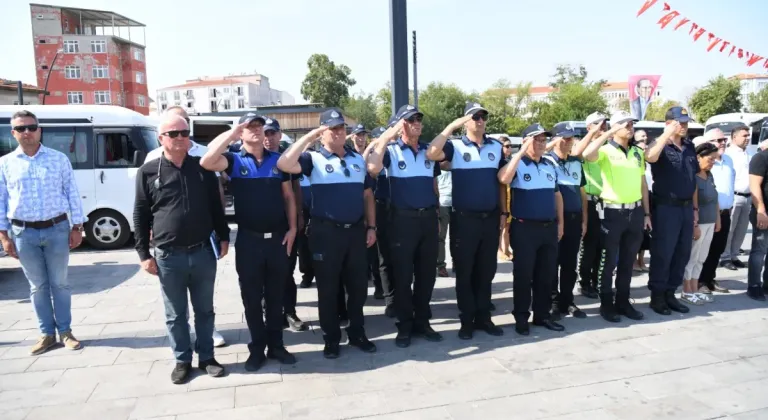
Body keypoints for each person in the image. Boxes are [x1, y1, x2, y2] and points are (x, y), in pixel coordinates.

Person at [134, 115, 230, 384]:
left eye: (184, 133)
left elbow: (216, 207)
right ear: (161, 138)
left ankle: (207, 357)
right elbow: (140, 214)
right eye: (173, 133)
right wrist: (143, 254)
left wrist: (223, 238)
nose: (180, 137)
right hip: (168, 256)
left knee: (205, 310)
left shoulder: (202, 169)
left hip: (202, 252)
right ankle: (182, 360)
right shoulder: (149, 171)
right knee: (175, 314)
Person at [200, 113, 298, 371]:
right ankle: (257, 348)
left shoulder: (279, 161)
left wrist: (294, 229)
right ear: (241, 133)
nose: (256, 130)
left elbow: (289, 197)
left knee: (277, 296)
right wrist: (232, 133)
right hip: (248, 241)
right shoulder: (233, 160)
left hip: (277, 239)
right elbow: (208, 160)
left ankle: (276, 345)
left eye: (259, 126)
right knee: (252, 298)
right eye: (249, 127)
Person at [277, 108, 378, 359]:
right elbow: (284, 163)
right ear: (323, 133)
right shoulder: (312, 159)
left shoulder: (356, 159)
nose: (338, 133)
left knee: (357, 288)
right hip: (326, 233)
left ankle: (357, 333)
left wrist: (372, 227)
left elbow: (367, 196)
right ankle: (331, 338)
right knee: (328, 289)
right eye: (332, 129)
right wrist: (310, 137)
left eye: (341, 128)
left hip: (355, 232)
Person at [0, 110, 86, 355]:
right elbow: (1, 200)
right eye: (21, 128)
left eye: (31, 127)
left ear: (39, 130)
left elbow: (71, 193)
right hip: (23, 233)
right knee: (37, 286)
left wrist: (77, 226)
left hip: (57, 229)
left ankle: (66, 331)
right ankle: (47, 334)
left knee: (60, 284)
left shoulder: (59, 159)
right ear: (13, 133)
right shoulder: (5, 164)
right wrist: (4, 236)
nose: (27, 132)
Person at [426, 102, 506, 340]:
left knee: (486, 270)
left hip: (489, 219)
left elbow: (501, 183)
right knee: (465, 271)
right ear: (466, 121)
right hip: (464, 220)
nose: (480, 120)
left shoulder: (495, 147)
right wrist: (452, 126)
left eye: (483, 116)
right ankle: (467, 320)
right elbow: (431, 153)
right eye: (474, 117)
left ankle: (484, 317)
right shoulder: (456, 146)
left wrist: (503, 213)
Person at [367, 104, 442, 348]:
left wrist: (437, 215)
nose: (417, 123)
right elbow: (373, 168)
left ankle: (422, 321)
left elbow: (433, 185)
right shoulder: (391, 151)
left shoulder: (428, 151)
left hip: (428, 219)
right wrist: (387, 137)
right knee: (402, 275)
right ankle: (405, 325)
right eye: (411, 120)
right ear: (401, 125)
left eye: (419, 118)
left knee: (426, 274)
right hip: (402, 220)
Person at [582, 111, 648, 323]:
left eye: (632, 124)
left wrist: (646, 213)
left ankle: (623, 301)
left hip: (635, 211)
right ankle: (606, 304)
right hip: (613, 212)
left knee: (628, 261)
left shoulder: (637, 152)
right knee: (608, 261)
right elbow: (587, 154)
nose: (630, 127)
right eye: (626, 124)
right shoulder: (605, 150)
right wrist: (608, 131)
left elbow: (642, 183)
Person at [498, 123, 565, 335]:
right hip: (524, 229)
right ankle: (521, 317)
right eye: (536, 139)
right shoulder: (517, 164)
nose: (541, 143)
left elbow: (557, 195)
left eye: (543, 139)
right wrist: (519, 152)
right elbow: (503, 178)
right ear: (526, 141)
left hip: (548, 227)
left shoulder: (549, 164)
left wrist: (561, 223)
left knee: (546, 275)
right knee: (523, 275)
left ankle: (542, 315)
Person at [645, 106, 699, 315]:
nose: (684, 126)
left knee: (681, 253)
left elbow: (692, 180)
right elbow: (649, 157)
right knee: (663, 253)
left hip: (686, 208)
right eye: (680, 122)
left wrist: (695, 209)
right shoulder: (660, 145)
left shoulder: (689, 147)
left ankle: (670, 294)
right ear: (669, 123)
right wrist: (666, 134)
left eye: (686, 122)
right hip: (666, 207)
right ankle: (657, 296)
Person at [262, 117, 308, 332]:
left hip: (284, 224)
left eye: (272, 133)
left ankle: (289, 312)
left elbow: (295, 189)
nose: (268, 138)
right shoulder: (250, 157)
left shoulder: (285, 159)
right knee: (262, 273)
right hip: (260, 227)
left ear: (280, 135)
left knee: (287, 270)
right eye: (265, 133)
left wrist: (298, 216)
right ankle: (269, 312)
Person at [543, 123, 588, 321]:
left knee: (570, 264)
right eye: (565, 138)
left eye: (572, 138)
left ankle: (567, 300)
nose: (569, 142)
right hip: (553, 220)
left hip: (574, 218)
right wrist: (552, 144)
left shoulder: (577, 162)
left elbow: (582, 193)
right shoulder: (545, 161)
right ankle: (552, 301)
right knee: (552, 262)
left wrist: (584, 219)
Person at [573, 112, 608, 299]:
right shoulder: (584, 144)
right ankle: (585, 282)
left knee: (604, 246)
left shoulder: (608, 146)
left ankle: (598, 281)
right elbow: (578, 152)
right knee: (589, 246)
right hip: (590, 201)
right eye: (597, 124)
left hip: (608, 201)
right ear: (589, 127)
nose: (602, 127)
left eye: (604, 124)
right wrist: (594, 134)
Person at [682, 143, 721, 305]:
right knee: (692, 257)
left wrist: (718, 219)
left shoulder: (709, 175)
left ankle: (695, 288)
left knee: (701, 258)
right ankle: (686, 290)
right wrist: (695, 224)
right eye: (710, 159)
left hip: (711, 222)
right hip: (699, 223)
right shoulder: (694, 177)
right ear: (699, 157)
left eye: (714, 159)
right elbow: (693, 203)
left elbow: (715, 199)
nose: (713, 162)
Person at [698, 129, 734, 294]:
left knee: (717, 249)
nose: (722, 142)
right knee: (703, 251)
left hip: (725, 213)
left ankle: (709, 279)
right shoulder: (703, 166)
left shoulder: (728, 160)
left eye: (723, 140)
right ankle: (699, 281)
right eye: (718, 140)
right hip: (707, 214)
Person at [722, 125, 752, 271]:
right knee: (730, 229)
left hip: (748, 196)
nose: (748, 138)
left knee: (741, 229)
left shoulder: (748, 153)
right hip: (734, 196)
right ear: (734, 137)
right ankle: (725, 256)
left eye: (748, 135)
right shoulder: (728, 154)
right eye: (744, 135)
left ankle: (734, 255)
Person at [746, 143, 768, 301]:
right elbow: (754, 186)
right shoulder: (760, 157)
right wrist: (761, 210)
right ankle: (754, 285)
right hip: (763, 212)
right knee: (759, 251)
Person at [632, 130, 651, 272]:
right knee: (635, 236)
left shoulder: (649, 164)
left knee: (645, 235)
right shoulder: (634, 162)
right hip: (634, 199)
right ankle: (633, 261)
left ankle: (641, 260)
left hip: (648, 199)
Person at [498, 136, 513, 261]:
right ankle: (499, 250)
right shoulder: (497, 161)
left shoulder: (510, 160)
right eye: (507, 146)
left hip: (509, 195)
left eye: (510, 146)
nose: (510, 149)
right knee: (501, 226)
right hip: (500, 196)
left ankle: (507, 249)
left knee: (507, 226)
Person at [436, 160, 453, 277]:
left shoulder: (457, 168)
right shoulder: (435, 170)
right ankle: (441, 265)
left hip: (457, 205)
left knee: (459, 237)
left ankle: (458, 262)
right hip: (442, 205)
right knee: (441, 237)